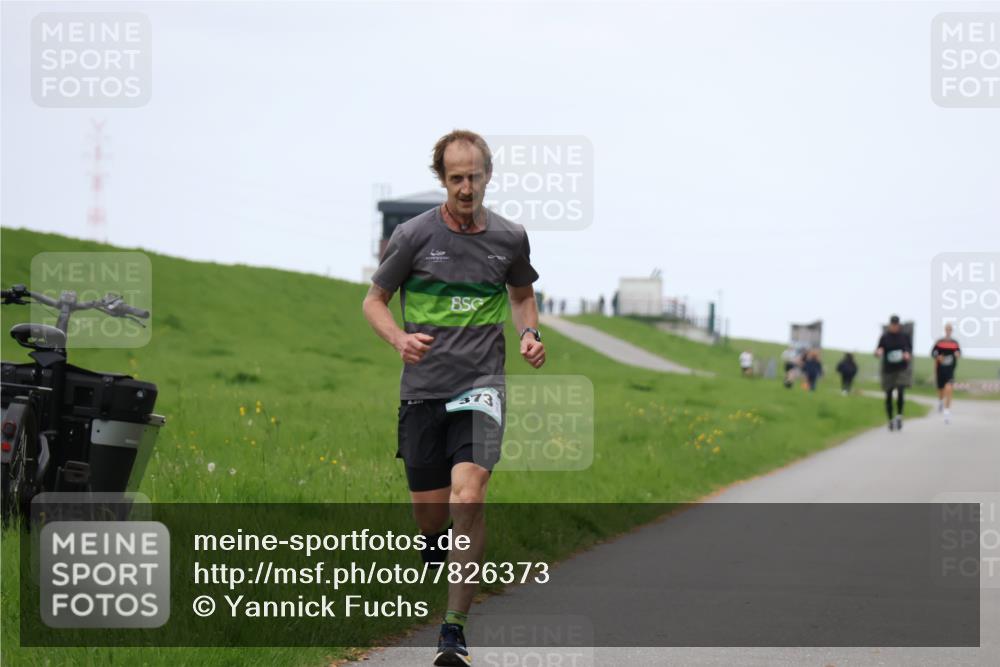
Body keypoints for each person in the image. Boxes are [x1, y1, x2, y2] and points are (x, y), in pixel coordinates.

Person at [362, 130, 545, 666]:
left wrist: (529, 334)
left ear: (489, 175)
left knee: (470, 496)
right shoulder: (414, 235)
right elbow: (374, 301)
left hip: (481, 385)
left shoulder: (510, 238)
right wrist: (398, 338)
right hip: (422, 391)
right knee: (430, 515)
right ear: (442, 179)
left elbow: (522, 294)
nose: (467, 188)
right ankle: (433, 540)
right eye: (456, 178)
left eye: (475, 176)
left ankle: (453, 631)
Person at [876, 315, 912, 431]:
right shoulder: (885, 337)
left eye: (896, 325)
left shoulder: (904, 336)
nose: (894, 327)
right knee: (889, 394)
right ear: (890, 325)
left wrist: (907, 354)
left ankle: (899, 416)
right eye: (893, 325)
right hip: (889, 369)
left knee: (901, 390)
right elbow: (879, 349)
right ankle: (890, 419)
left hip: (901, 368)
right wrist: (879, 351)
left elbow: (908, 348)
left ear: (899, 325)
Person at [931, 323, 962, 424]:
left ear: (951, 330)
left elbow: (959, 353)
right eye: (947, 329)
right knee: (941, 391)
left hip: (950, 371)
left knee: (949, 389)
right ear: (945, 330)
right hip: (940, 370)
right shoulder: (939, 342)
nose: (948, 331)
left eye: (950, 329)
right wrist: (938, 357)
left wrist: (957, 354)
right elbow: (933, 353)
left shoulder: (955, 343)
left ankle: (947, 413)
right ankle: (940, 402)